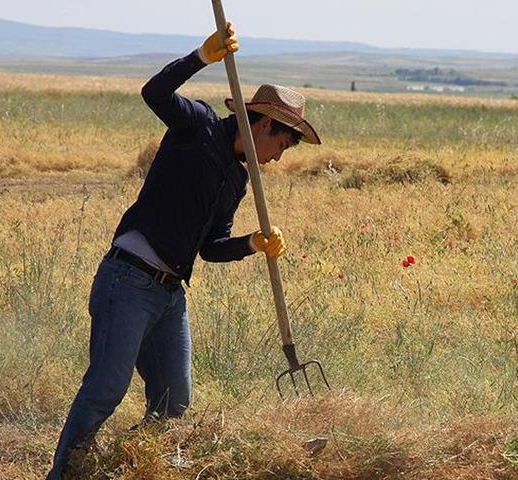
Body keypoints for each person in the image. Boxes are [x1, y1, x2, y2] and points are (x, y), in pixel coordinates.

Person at [46, 21, 321, 479]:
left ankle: (129, 466)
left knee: (174, 403)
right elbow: (153, 93)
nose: (278, 157)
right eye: (282, 144)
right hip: (128, 279)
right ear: (266, 124)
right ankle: (64, 474)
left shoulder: (237, 178)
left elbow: (211, 247)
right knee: (106, 389)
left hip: (170, 295)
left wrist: (251, 244)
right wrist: (201, 57)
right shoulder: (199, 127)